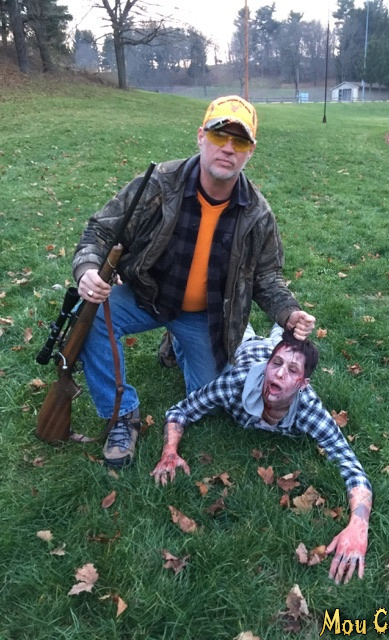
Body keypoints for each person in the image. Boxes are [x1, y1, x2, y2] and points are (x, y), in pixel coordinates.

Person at [72, 95, 315, 468]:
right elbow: (101, 230)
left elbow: (267, 277)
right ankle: (122, 415)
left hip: (203, 314)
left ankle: (177, 340)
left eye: (240, 141)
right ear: (201, 136)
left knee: (209, 400)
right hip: (146, 295)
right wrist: (88, 269)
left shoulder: (257, 214)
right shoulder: (157, 184)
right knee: (89, 315)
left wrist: (288, 313)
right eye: (219, 136)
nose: (228, 148)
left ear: (250, 152)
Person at [151, 326, 372, 585]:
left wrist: (359, 526)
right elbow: (181, 411)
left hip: (270, 350)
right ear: (268, 365)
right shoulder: (237, 382)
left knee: (285, 333)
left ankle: (283, 326)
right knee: (228, 325)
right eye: (276, 364)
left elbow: (350, 465)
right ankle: (175, 335)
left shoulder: (308, 408)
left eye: (293, 371)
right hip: (248, 349)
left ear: (303, 384)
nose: (279, 373)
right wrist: (169, 452)